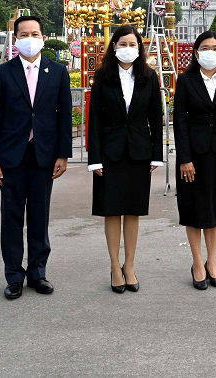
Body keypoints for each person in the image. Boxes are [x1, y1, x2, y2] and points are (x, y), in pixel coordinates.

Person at [0, 15, 72, 300]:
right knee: (11, 217)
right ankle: (13, 276)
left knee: (39, 215)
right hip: (11, 157)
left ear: (43, 37)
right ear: (16, 39)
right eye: (24, 34)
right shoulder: (3, 73)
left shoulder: (57, 72)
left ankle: (38, 272)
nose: (29, 38)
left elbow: (64, 116)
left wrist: (63, 154)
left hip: (44, 156)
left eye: (34, 33)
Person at [86, 25, 163, 293]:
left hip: (139, 152)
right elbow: (93, 120)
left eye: (133, 44)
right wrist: (94, 159)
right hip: (109, 154)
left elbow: (156, 118)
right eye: (123, 43)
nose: (128, 48)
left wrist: (157, 155)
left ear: (140, 48)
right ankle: (114, 265)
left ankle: (129, 266)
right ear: (114, 46)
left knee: (133, 210)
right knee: (112, 210)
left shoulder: (149, 77)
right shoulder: (103, 77)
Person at [173, 31, 216, 290]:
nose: (210, 52)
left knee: (214, 210)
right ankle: (197, 262)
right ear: (195, 52)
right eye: (205, 47)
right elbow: (179, 120)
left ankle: (212, 263)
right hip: (193, 155)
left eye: (215, 48)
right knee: (194, 210)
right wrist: (184, 158)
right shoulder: (186, 80)